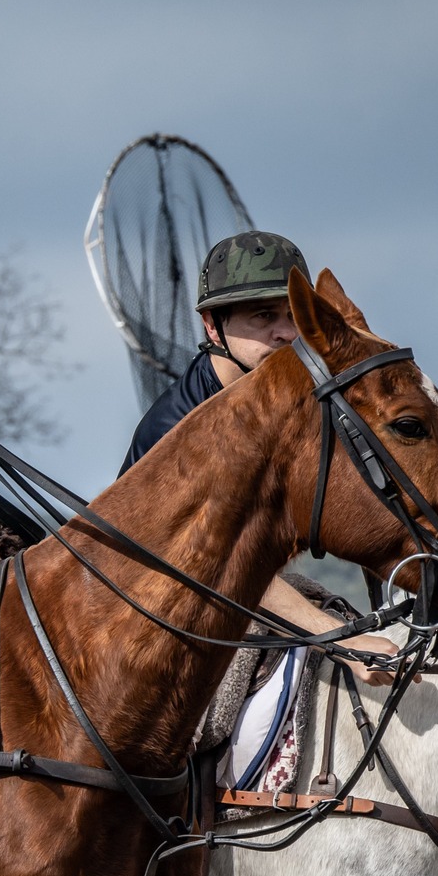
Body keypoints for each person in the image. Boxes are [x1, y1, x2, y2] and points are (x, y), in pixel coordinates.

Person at [121, 230, 398, 679]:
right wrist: (338, 639)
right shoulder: (175, 431)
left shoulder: (299, 402)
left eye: (293, 315)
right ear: (213, 326)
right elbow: (225, 568)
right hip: (151, 632)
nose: (287, 333)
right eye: (265, 316)